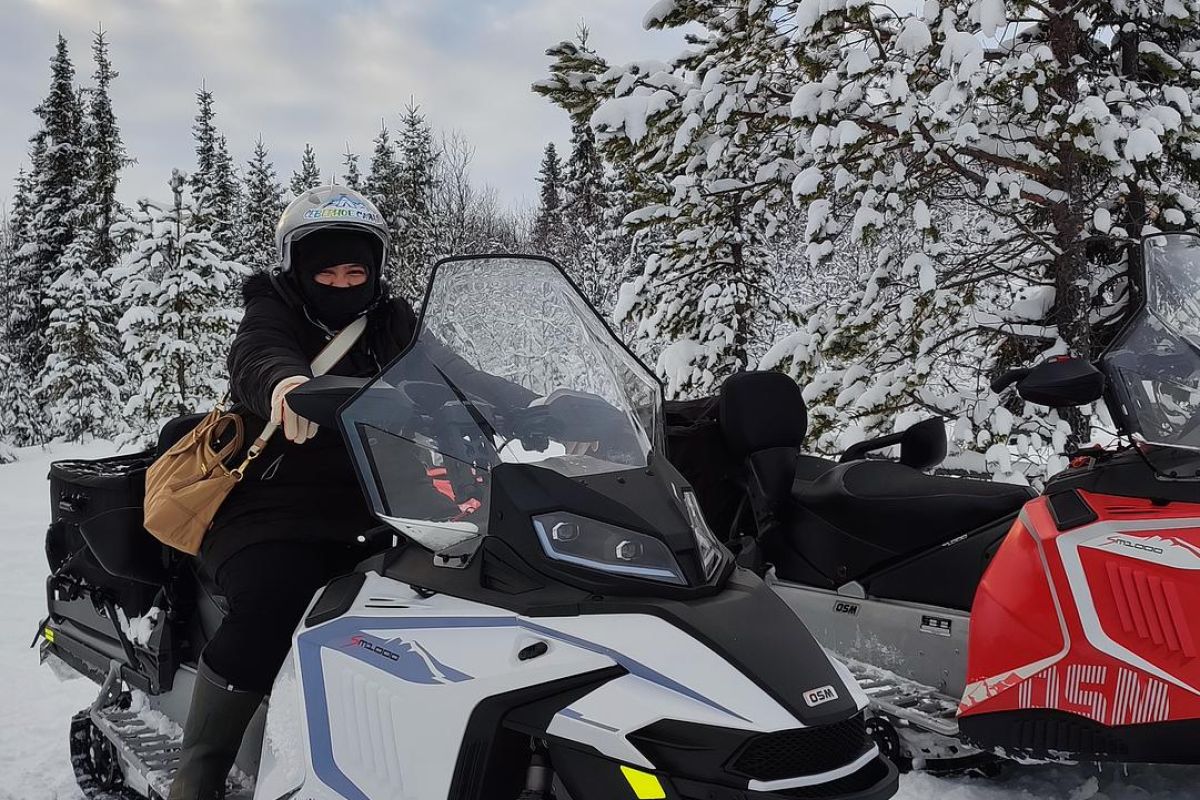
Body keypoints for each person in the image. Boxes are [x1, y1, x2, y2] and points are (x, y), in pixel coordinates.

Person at [168, 186, 532, 799]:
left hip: (384, 501)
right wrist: (284, 388)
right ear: (298, 270)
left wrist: (538, 410)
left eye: (355, 270)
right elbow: (257, 354)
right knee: (272, 604)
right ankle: (199, 771)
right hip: (273, 507)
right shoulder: (275, 309)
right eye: (326, 270)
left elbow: (458, 377)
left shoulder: (392, 324)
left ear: (376, 270)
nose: (341, 283)